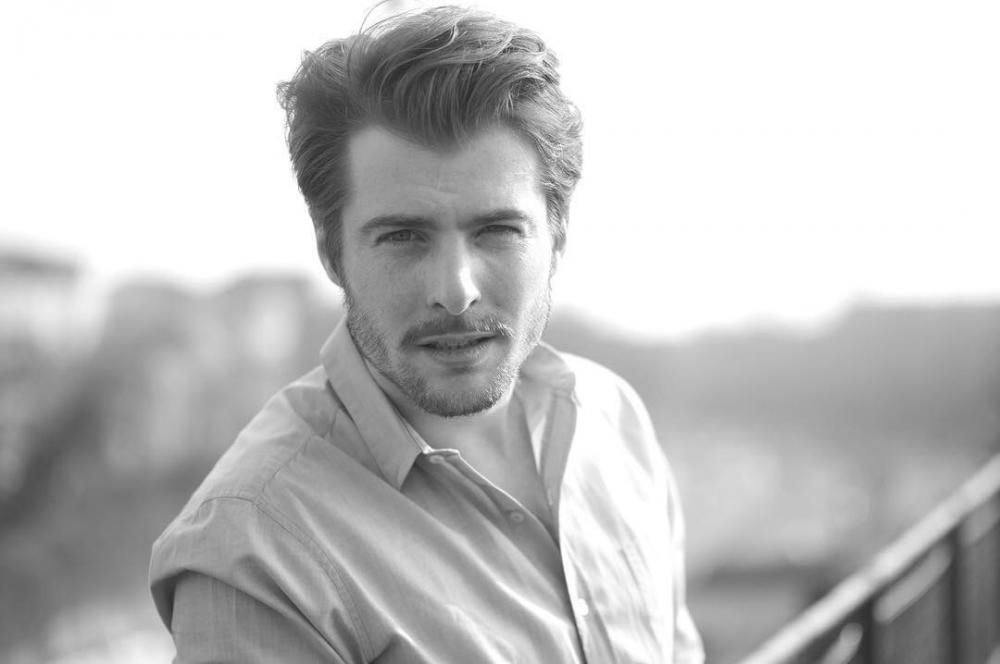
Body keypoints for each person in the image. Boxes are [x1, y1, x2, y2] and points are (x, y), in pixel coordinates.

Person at [149, 5, 703, 663]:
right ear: (331, 252)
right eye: (404, 237)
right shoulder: (254, 551)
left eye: (497, 231)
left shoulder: (613, 421)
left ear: (556, 238)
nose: (456, 290)